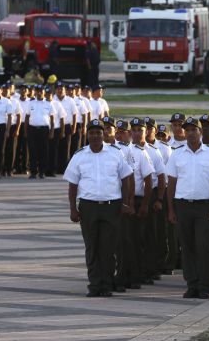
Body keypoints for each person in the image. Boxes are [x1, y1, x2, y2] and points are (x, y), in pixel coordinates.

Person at [64, 119, 133, 297]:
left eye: (98, 132)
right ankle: (94, 284)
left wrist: (126, 203)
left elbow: (126, 178)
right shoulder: (79, 155)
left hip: (112, 206)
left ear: (104, 134)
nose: (95, 136)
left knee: (109, 248)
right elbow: (73, 184)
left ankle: (107, 284)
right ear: (87, 135)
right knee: (92, 247)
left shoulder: (115, 153)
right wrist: (73, 209)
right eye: (92, 132)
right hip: (88, 207)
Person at [166, 117, 209, 299]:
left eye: (194, 130)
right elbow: (171, 184)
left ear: (201, 132)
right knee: (187, 246)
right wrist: (171, 210)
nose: (190, 133)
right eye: (188, 130)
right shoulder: (176, 154)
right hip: (183, 206)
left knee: (203, 246)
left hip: (203, 207)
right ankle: (192, 284)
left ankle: (204, 285)